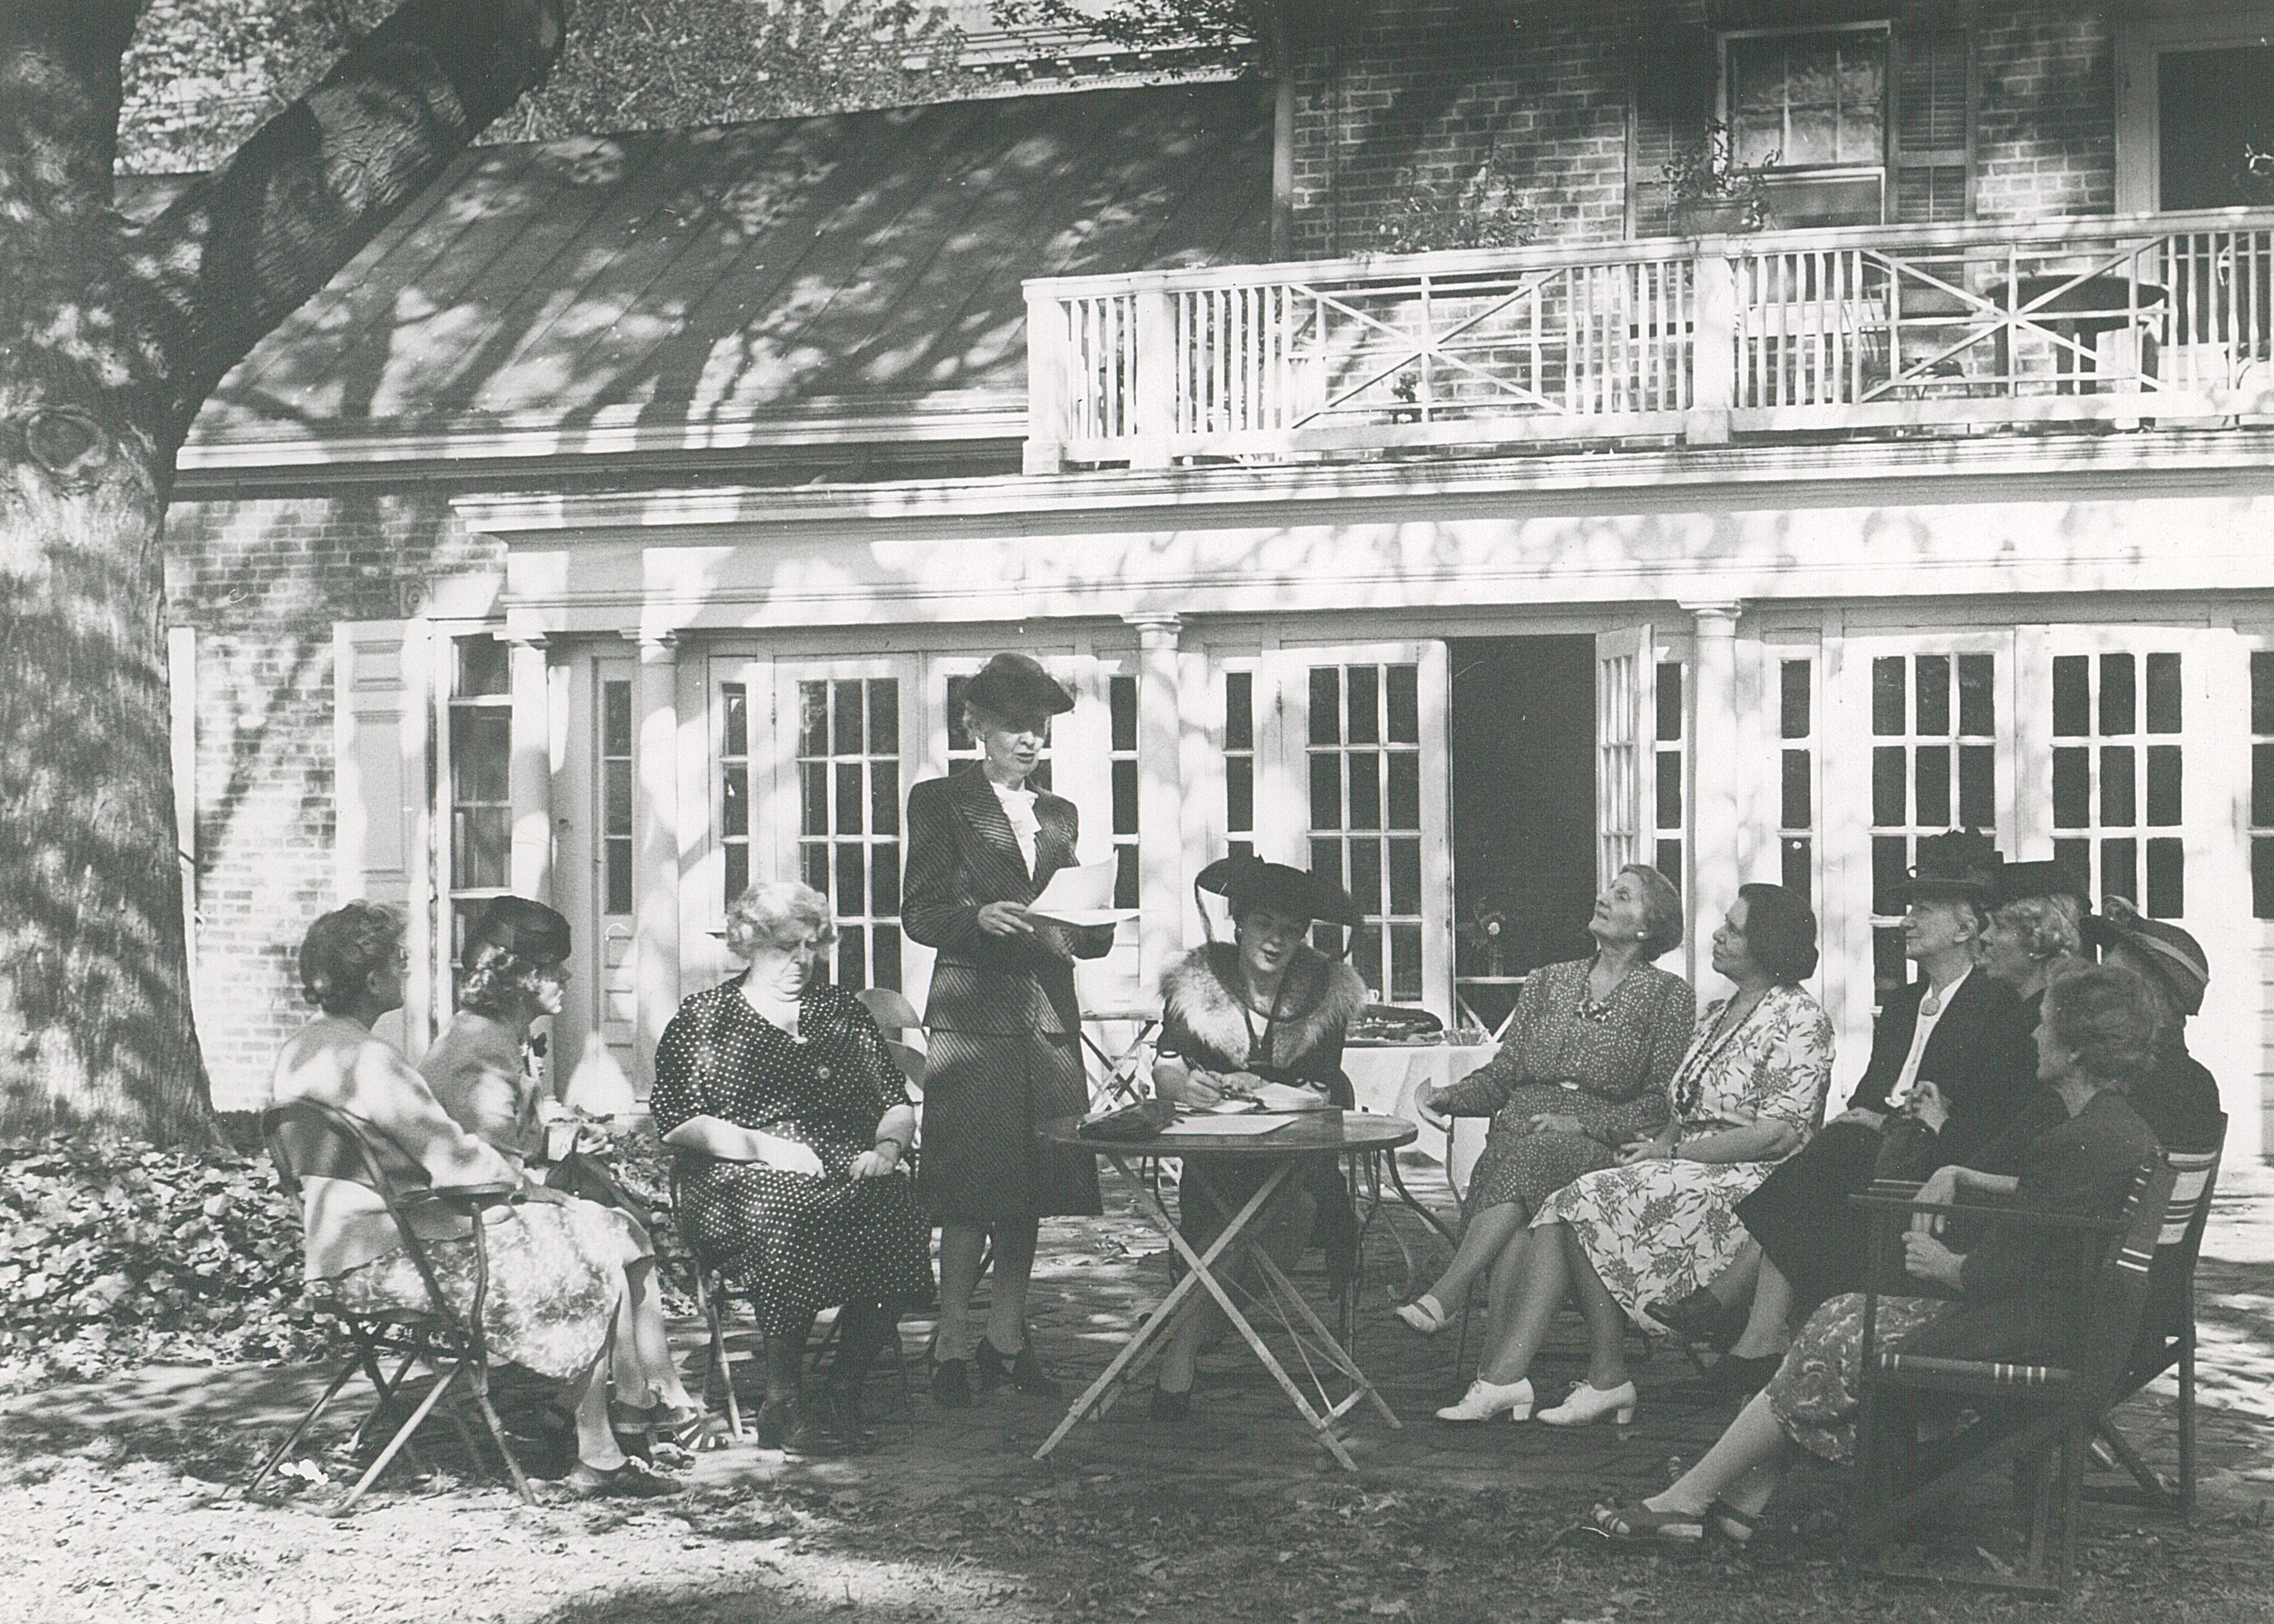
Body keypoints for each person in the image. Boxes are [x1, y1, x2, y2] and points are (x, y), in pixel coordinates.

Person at [1591, 963, 2162, 1545]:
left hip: (2019, 1332)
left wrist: (1947, 1263)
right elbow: (2058, 1205)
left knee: (1838, 1327)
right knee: (1837, 1317)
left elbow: (2017, 1252)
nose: (2033, 1036)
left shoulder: (2079, 1139)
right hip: (2048, 1322)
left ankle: (1690, 1498)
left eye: (2045, 1026)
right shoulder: (2111, 1129)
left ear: (2075, 1048)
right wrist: (1965, 1173)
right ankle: (1735, 1501)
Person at [271, 902, 677, 1498]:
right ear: (373, 979)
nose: (408, 972)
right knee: (589, 1237)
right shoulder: (371, 1060)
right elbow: (453, 1161)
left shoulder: (300, 1051)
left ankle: (601, 1432)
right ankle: (600, 1443)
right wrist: (530, 1185)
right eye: (399, 963)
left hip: (339, 1257)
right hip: (396, 1262)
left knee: (580, 1230)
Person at [1433, 884, 1834, 1429]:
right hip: (1690, 1165)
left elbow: (1777, 1136)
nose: (1717, 934)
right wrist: (1663, 1142)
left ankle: (1588, 1376)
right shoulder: (1718, 1012)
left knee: (1585, 1198)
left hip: (1750, 1183)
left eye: (1733, 928)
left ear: (1766, 944)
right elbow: (1682, 1099)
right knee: (1568, 1199)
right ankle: (1540, 1377)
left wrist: (1675, 1153)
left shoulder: (1799, 1019)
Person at [1656, 835, 2033, 1390]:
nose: (1906, 922)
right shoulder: (1903, 1005)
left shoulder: (1995, 1006)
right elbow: (1867, 1095)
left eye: (1921, 911)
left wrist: (1886, 1122)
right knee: (1833, 1152)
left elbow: (1972, 1110)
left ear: (1965, 929)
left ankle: (1739, 1319)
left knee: (1831, 1154)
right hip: (1870, 1149)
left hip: (1933, 1158)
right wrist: (1868, 1118)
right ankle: (1752, 1337)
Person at [1401, 866, 1695, 1412]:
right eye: (1608, 887)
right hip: (1518, 1136)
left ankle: (1450, 1296)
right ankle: (1496, 1381)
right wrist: (1451, 1096)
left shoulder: (1668, 996)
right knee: (1523, 1212)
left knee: (1541, 1154)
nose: (1603, 897)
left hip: (1600, 1144)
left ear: (1648, 928)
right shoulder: (1547, 981)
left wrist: (1584, 1124)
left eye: (1622, 895)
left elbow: (1662, 1099)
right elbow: (1505, 1073)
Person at [652, 881, 933, 1450]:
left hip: (841, 1165)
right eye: (786, 947)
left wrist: (887, 1150)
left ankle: (842, 1387)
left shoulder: (839, 1011)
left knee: (899, 1207)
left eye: (811, 946)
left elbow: (894, 1102)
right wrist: (767, 1149)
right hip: (735, 1175)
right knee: (787, 1213)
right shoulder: (706, 1017)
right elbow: (678, 1120)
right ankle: (783, 1398)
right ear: (749, 945)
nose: (802, 960)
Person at [903, 653, 1116, 1407]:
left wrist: (1094, 927)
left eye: (1039, 728)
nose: (1029, 741)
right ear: (974, 725)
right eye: (1013, 727)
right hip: (975, 1021)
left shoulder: (1058, 815)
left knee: (1030, 1186)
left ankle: (1007, 1335)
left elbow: (1071, 911)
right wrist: (975, 918)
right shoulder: (938, 801)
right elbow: (920, 912)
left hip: (1048, 1019)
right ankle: (952, 1339)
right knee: (969, 1190)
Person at [422, 896, 711, 1448]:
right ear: (520, 977)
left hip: (473, 1217)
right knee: (610, 1231)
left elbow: (497, 1138)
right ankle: (642, 1402)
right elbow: (484, 1171)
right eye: (553, 967)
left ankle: (647, 1398)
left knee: (620, 1223)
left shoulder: (490, 1036)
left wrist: (564, 1140)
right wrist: (551, 1196)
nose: (568, 975)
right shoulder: (480, 1050)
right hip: (464, 1236)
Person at [1146, 856, 1369, 1419]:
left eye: (1291, 930)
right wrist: (1186, 1086)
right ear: (1238, 923)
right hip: (1215, 1154)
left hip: (1297, 1155)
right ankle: (1196, 1338)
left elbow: (1321, 1088)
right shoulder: (1198, 980)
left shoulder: (1327, 989)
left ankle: (1187, 1339)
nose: (1276, 940)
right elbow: (1166, 1066)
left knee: (1288, 1209)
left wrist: (1266, 1084)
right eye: (1264, 923)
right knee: (1228, 1215)